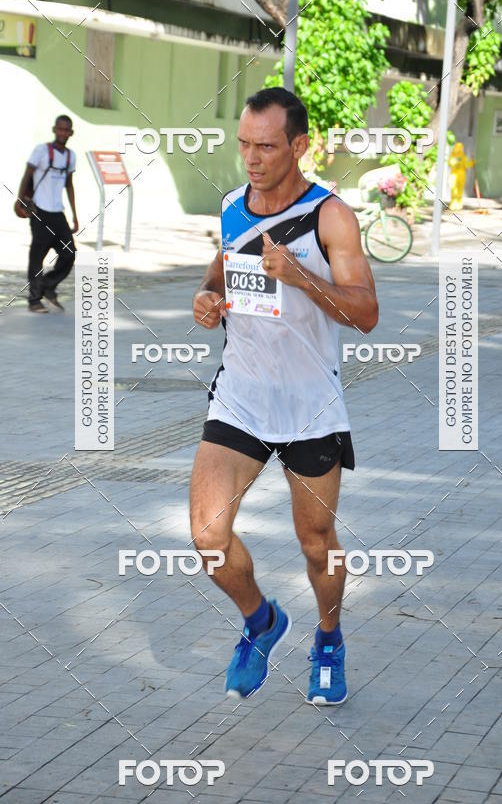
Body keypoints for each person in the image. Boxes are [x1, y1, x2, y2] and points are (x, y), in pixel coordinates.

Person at [190, 88, 379, 705]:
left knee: (316, 541)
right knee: (207, 537)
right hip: (241, 395)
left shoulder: (332, 217)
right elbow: (220, 272)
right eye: (244, 143)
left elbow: (367, 313)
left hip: (309, 404)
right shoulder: (230, 207)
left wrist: (302, 276)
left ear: (299, 146)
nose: (251, 157)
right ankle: (261, 621)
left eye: (266, 146)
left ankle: (328, 640)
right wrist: (207, 300)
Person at [18, 115, 78, 313]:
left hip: (57, 213)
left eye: (66, 130)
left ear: (71, 133)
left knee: (69, 254)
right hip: (39, 211)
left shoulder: (71, 156)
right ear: (54, 130)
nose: (63, 133)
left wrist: (75, 215)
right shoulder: (41, 151)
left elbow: (69, 185)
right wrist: (20, 201)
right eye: (60, 129)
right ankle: (34, 300)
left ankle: (48, 286)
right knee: (38, 256)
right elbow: (27, 175)